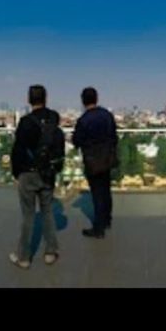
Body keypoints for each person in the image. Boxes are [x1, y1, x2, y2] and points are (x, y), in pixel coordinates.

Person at [8, 85, 65, 269]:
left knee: (28, 216)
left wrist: (16, 173)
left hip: (28, 173)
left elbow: (17, 150)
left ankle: (24, 258)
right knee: (47, 211)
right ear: (45, 98)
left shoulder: (25, 122)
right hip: (48, 173)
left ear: (29, 100)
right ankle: (50, 252)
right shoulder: (53, 120)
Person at [72, 87, 118, 238]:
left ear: (83, 101)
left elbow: (76, 141)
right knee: (106, 190)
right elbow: (114, 137)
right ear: (96, 98)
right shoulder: (107, 115)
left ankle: (99, 228)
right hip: (107, 158)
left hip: (92, 161)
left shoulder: (83, 120)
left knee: (97, 193)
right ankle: (107, 220)